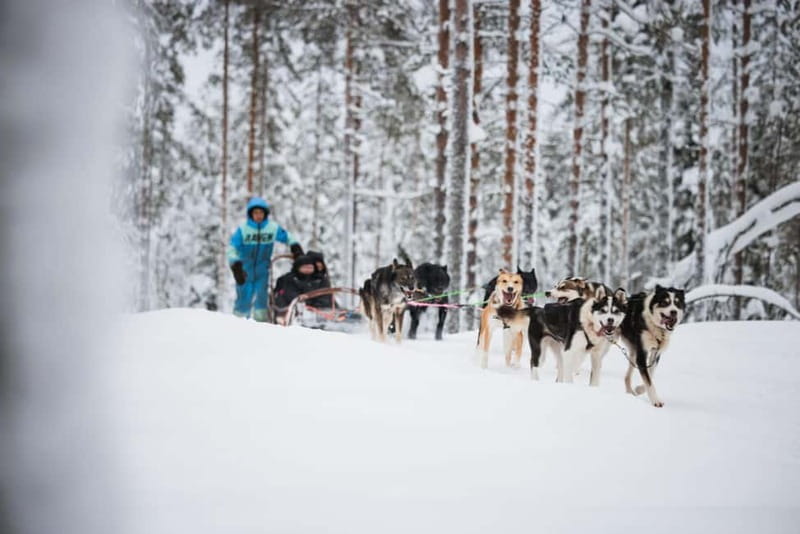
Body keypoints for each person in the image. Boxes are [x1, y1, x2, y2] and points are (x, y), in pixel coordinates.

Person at [227, 197, 303, 321]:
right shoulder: (243, 230)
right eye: (255, 213)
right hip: (245, 270)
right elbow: (232, 248)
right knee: (244, 298)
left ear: (265, 214)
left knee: (261, 299)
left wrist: (295, 246)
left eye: (261, 212)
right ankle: (238, 323)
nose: (258, 215)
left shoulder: (271, 228)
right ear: (251, 214)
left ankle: (261, 326)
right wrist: (235, 265)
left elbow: (287, 236)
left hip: (263, 270)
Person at [272, 254, 320, 323]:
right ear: (298, 267)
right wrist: (304, 300)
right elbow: (289, 293)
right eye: (305, 267)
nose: (308, 270)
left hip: (313, 309)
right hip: (288, 307)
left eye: (310, 267)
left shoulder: (317, 279)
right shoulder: (289, 279)